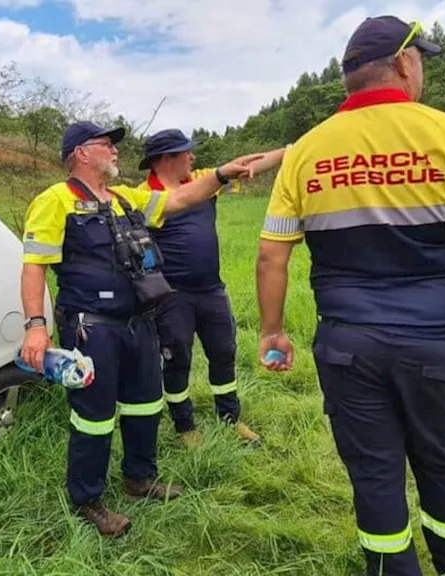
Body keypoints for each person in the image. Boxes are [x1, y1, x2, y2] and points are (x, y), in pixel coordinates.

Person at [254, 15, 445, 576]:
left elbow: (271, 255)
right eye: (420, 59)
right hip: (438, 341)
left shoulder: (307, 151)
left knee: (374, 475)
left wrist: (272, 330)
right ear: (405, 63)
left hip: (348, 345)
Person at [19, 121, 272, 538]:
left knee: (145, 405)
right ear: (81, 153)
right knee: (94, 418)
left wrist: (222, 174)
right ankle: (88, 500)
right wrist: (36, 327)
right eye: (106, 145)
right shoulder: (54, 201)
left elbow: (181, 199)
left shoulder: (124, 199)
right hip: (91, 329)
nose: (115, 151)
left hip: (140, 323)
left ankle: (140, 479)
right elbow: (34, 268)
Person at [137, 128, 285, 447]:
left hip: (211, 290)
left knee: (224, 351)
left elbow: (250, 164)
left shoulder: (204, 181)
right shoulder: (143, 196)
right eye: (185, 152)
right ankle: (184, 426)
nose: (193, 156)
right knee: (177, 358)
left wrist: (291, 149)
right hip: (171, 295)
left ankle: (230, 418)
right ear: (165, 159)